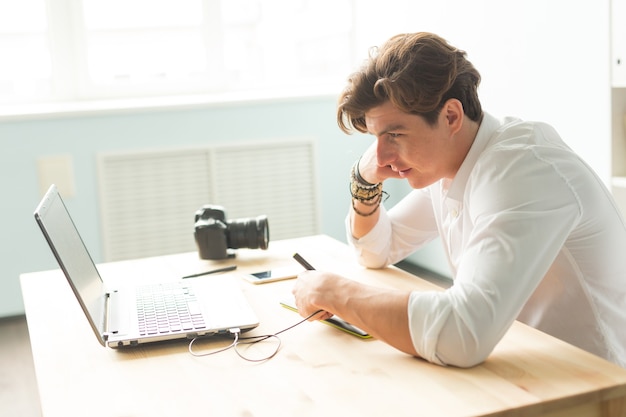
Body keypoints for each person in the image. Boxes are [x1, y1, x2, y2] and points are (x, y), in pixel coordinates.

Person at [291, 32, 626, 368]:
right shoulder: (450, 164)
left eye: (394, 134)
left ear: (451, 116)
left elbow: (462, 335)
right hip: (523, 365)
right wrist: (364, 181)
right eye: (377, 137)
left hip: (598, 384)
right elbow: (378, 249)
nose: (381, 156)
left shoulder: (520, 171)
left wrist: (334, 292)